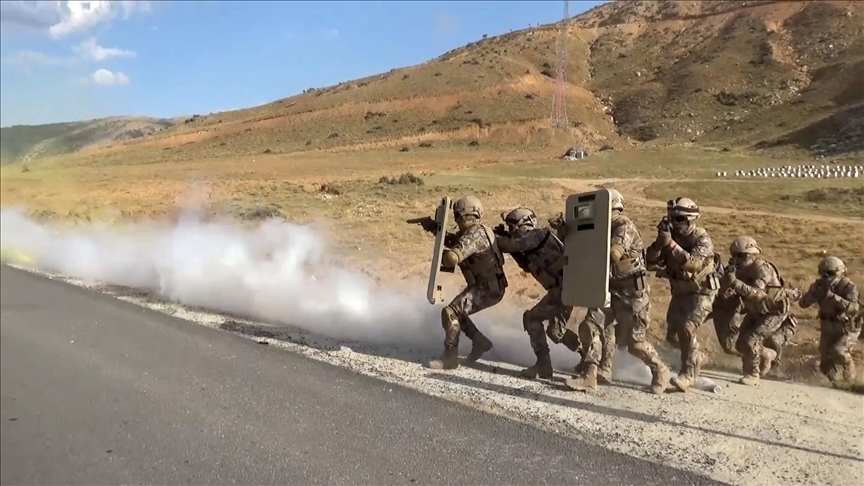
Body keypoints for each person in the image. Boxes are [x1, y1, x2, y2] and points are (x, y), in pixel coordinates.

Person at [556, 189, 671, 394]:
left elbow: (614, 254)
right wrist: (569, 234)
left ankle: (661, 370)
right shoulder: (601, 229)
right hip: (607, 288)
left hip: (632, 295)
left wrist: (588, 250)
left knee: (635, 343)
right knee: (592, 326)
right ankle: (592, 374)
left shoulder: (622, 226)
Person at [645, 197, 722, 392]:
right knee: (672, 335)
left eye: (679, 219)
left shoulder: (701, 238)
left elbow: (693, 264)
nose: (674, 223)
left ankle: (688, 373)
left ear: (690, 219)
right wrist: (659, 242)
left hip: (702, 292)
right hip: (680, 292)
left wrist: (670, 244)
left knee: (687, 328)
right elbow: (650, 262)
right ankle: (695, 356)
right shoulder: (671, 236)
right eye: (672, 219)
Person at [494, 207, 580, 379]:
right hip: (561, 289)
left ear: (524, 224)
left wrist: (494, 239)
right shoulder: (532, 242)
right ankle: (588, 356)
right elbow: (525, 265)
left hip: (563, 289)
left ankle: (543, 365)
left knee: (532, 318)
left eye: (513, 227)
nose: (512, 231)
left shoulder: (536, 236)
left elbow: (509, 245)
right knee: (555, 332)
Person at [427, 195, 508, 370]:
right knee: (458, 312)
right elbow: (454, 241)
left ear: (464, 215)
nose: (456, 219)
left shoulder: (475, 234)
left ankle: (450, 358)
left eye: (457, 215)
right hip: (489, 286)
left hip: (488, 289)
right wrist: (436, 229)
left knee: (450, 313)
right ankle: (480, 342)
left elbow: (454, 256)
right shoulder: (478, 230)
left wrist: (444, 257)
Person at [720, 236, 801, 386]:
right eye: (734, 255)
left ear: (751, 254)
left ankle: (753, 374)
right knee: (740, 344)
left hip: (773, 312)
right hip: (756, 310)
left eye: (740, 255)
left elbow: (758, 294)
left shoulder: (762, 269)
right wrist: (727, 282)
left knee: (751, 338)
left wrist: (735, 282)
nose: (737, 259)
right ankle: (767, 354)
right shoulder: (740, 270)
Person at [798, 256, 860, 385]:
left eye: (830, 274)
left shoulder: (848, 286)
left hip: (846, 328)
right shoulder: (818, 285)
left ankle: (851, 379)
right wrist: (813, 294)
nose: (827, 277)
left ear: (839, 272)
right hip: (828, 327)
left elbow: (853, 308)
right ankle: (837, 383)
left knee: (839, 352)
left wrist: (833, 297)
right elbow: (803, 304)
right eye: (824, 274)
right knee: (825, 362)